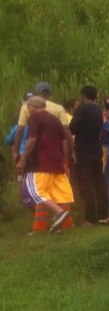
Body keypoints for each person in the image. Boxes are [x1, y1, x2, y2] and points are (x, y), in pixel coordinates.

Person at [16, 96, 74, 234]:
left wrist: (23, 159)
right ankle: (66, 225)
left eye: (28, 106)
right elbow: (64, 141)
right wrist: (64, 159)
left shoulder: (34, 118)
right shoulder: (54, 119)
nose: (27, 109)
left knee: (36, 192)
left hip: (41, 163)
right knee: (60, 195)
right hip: (57, 163)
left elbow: (32, 139)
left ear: (32, 107)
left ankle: (59, 213)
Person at [70, 86, 109, 225]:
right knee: (100, 181)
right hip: (96, 148)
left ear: (83, 96)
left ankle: (90, 218)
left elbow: (72, 128)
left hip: (84, 150)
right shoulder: (98, 110)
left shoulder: (82, 109)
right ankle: (103, 215)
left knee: (87, 183)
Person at [12, 82, 75, 166]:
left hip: (34, 152)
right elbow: (66, 132)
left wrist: (16, 152)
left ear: (36, 93)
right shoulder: (59, 108)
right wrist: (72, 152)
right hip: (56, 152)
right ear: (50, 94)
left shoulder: (27, 107)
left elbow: (20, 131)